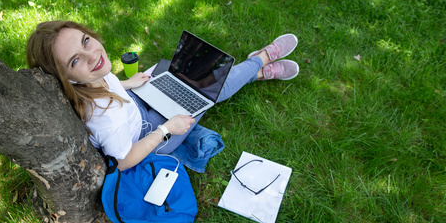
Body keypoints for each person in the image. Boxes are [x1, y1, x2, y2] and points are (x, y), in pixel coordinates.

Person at [26, 21, 299, 171]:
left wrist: (128, 83)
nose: (93, 56)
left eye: (86, 41)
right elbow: (123, 162)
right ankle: (260, 61)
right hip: (149, 140)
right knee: (204, 91)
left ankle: (256, 71)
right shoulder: (108, 120)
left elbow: (104, 81)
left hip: (134, 109)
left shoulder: (91, 76)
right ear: (66, 77)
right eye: (75, 60)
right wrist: (168, 129)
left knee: (174, 74)